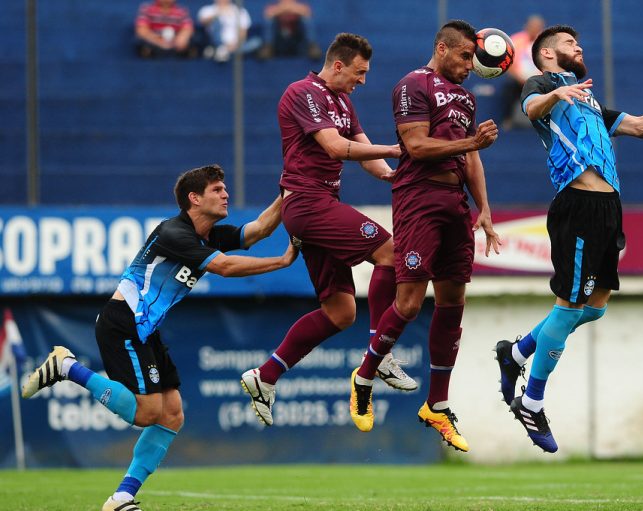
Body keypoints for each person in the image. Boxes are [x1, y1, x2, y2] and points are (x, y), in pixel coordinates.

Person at [494, 24, 643, 453]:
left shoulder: (590, 100)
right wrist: (556, 95)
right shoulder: (542, 84)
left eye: (578, 43)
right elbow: (531, 109)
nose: (578, 47)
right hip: (577, 204)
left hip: (608, 209)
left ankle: (518, 352)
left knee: (594, 309)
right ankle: (532, 401)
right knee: (570, 305)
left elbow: (641, 127)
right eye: (568, 43)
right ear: (546, 55)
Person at [21, 164, 298, 511]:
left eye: (224, 188)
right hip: (122, 322)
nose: (226, 194)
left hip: (144, 328)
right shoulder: (174, 233)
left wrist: (288, 192)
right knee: (146, 413)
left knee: (172, 414)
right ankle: (67, 367)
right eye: (217, 189)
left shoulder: (205, 234)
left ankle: (121, 497)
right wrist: (283, 261)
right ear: (194, 199)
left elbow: (257, 230)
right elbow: (225, 267)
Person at [240, 33, 417, 428]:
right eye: (359, 72)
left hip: (321, 206)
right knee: (391, 251)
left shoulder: (344, 101)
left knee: (340, 312)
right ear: (338, 65)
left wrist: (396, 174)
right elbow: (337, 149)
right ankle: (380, 352)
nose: (363, 80)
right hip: (307, 203)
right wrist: (392, 149)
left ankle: (264, 376)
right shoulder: (303, 91)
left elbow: (366, 156)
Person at [348, 20, 501, 452]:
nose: (472, 66)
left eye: (474, 58)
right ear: (442, 48)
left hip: (455, 204)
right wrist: (471, 142)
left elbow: (471, 158)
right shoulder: (412, 85)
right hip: (419, 198)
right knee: (411, 304)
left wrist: (485, 208)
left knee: (454, 302)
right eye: (466, 56)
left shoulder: (467, 99)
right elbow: (416, 147)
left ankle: (437, 404)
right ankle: (364, 375)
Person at [501, 15, 545, 130]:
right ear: (526, 26)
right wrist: (519, 78)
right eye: (532, 26)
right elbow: (508, 63)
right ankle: (508, 119)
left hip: (539, 80)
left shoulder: (545, 42)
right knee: (509, 89)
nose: (534, 29)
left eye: (537, 27)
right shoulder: (516, 40)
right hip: (518, 79)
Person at [257, 0, 323, 60]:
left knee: (306, 19)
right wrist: (284, 8)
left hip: (296, 40)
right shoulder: (272, 6)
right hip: (279, 40)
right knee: (269, 20)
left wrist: (288, 8)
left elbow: (307, 12)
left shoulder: (302, 6)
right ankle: (268, 47)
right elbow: (268, 14)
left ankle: (312, 47)